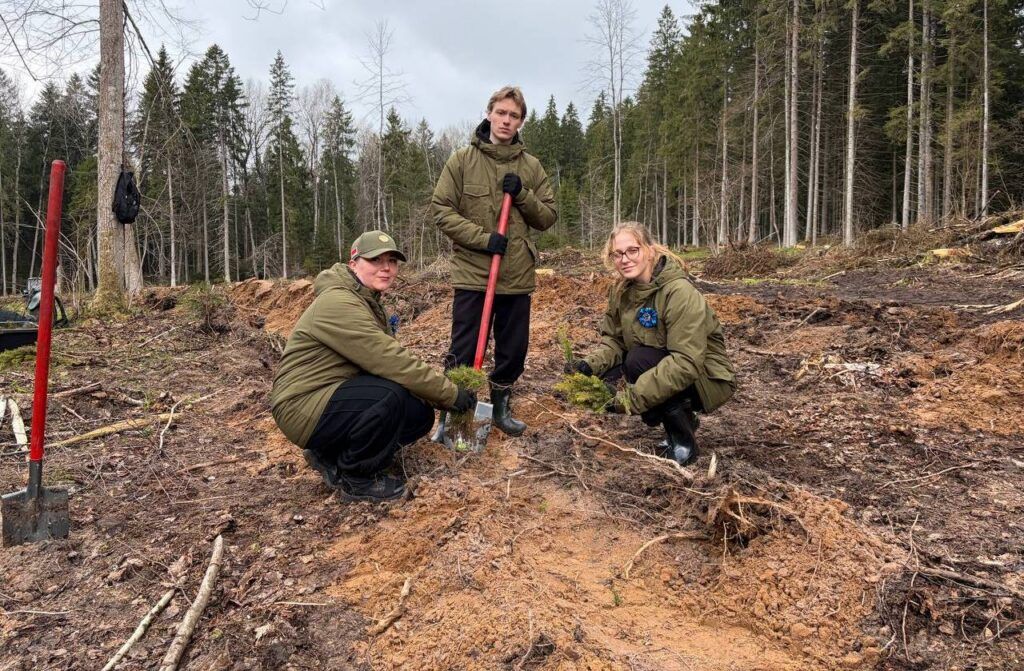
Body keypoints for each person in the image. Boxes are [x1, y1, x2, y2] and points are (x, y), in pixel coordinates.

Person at [270, 230, 477, 501]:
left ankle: (329, 455)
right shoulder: (338, 303)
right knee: (389, 397)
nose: (386, 268)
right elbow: (391, 361)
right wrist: (451, 395)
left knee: (417, 413)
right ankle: (356, 479)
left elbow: (388, 363)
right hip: (302, 404)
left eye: (392, 261)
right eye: (375, 260)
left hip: (327, 397)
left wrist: (432, 396)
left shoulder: (365, 300)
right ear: (353, 264)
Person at [431, 85, 557, 440]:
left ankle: (500, 406)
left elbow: (547, 216)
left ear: (521, 122)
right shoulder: (462, 161)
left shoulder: (530, 167)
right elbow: (441, 210)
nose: (506, 120)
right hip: (474, 273)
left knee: (513, 348)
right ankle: (453, 413)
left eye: (513, 116)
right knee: (465, 348)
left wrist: (522, 195)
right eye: (501, 113)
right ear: (489, 113)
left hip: (516, 274)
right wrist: (484, 239)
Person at [568, 222, 737, 465]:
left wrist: (628, 399)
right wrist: (588, 366)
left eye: (632, 251)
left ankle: (683, 441)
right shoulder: (622, 292)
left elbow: (686, 363)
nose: (624, 259)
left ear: (649, 249)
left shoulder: (679, 293)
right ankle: (681, 421)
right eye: (618, 254)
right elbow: (614, 341)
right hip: (664, 363)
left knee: (638, 361)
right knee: (609, 374)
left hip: (706, 376)